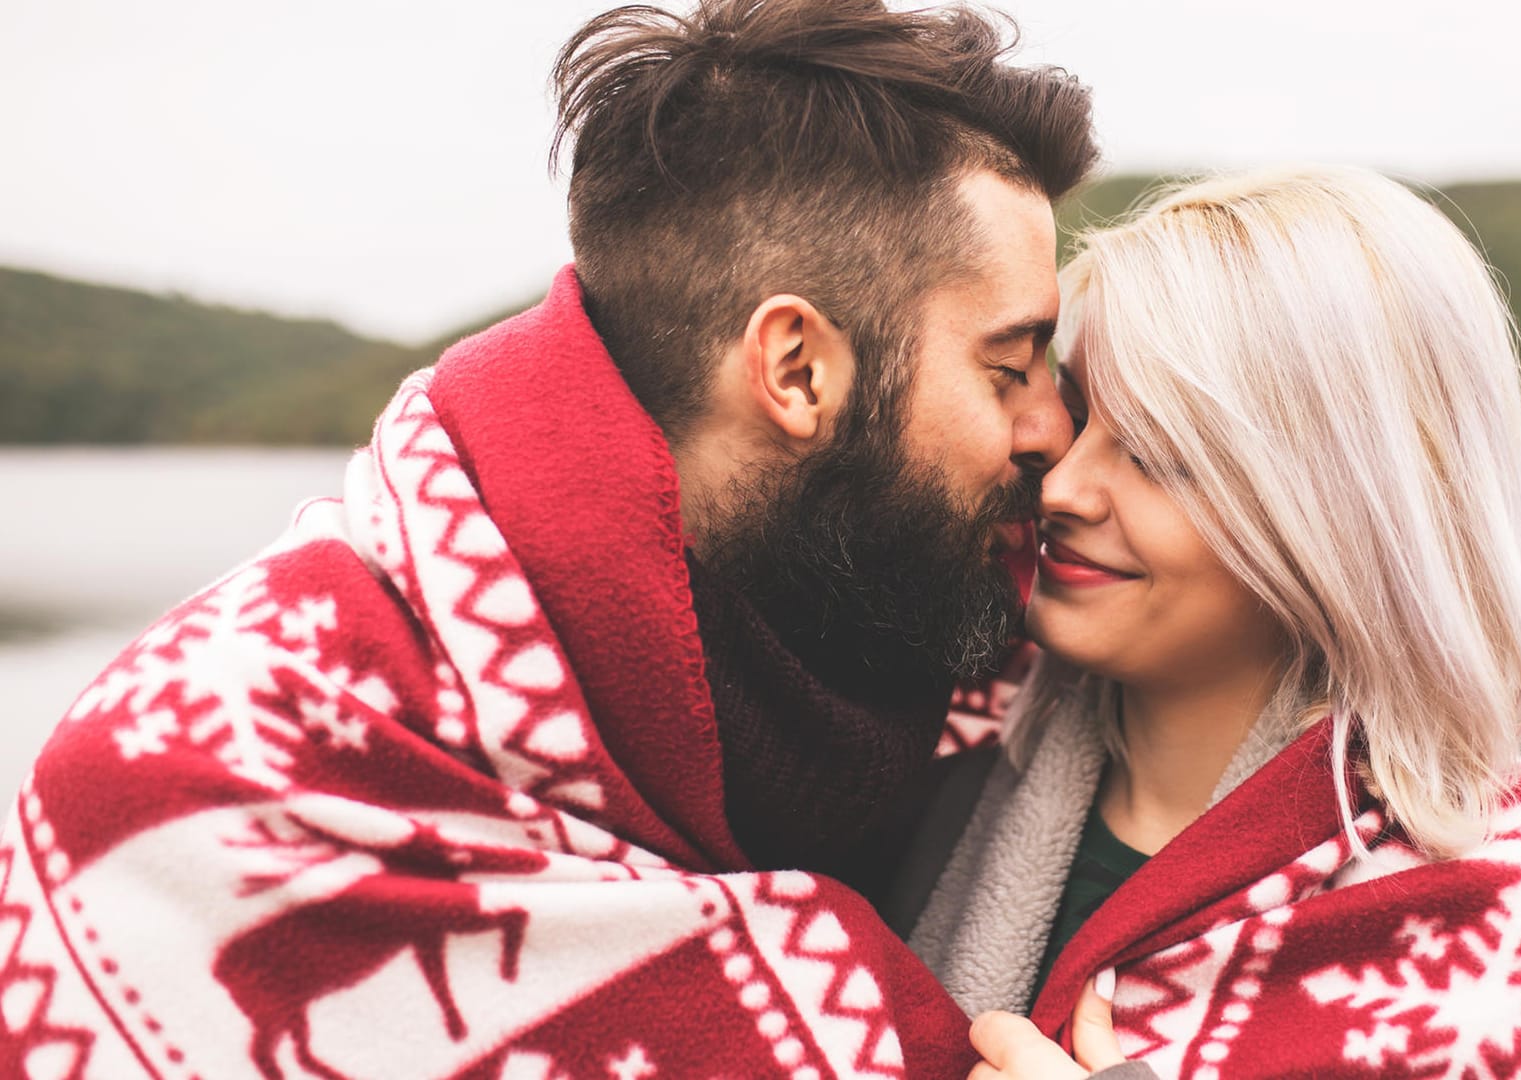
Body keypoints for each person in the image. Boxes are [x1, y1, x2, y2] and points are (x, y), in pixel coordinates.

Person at [0, 1, 1098, 1075]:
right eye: (1009, 367)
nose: (1054, 428)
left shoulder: (1013, 654)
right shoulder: (196, 784)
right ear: (798, 370)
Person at [892, 166, 1521, 1078]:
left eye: (1160, 453)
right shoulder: (910, 747)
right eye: (1075, 413)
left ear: (1345, 511)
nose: (1065, 487)